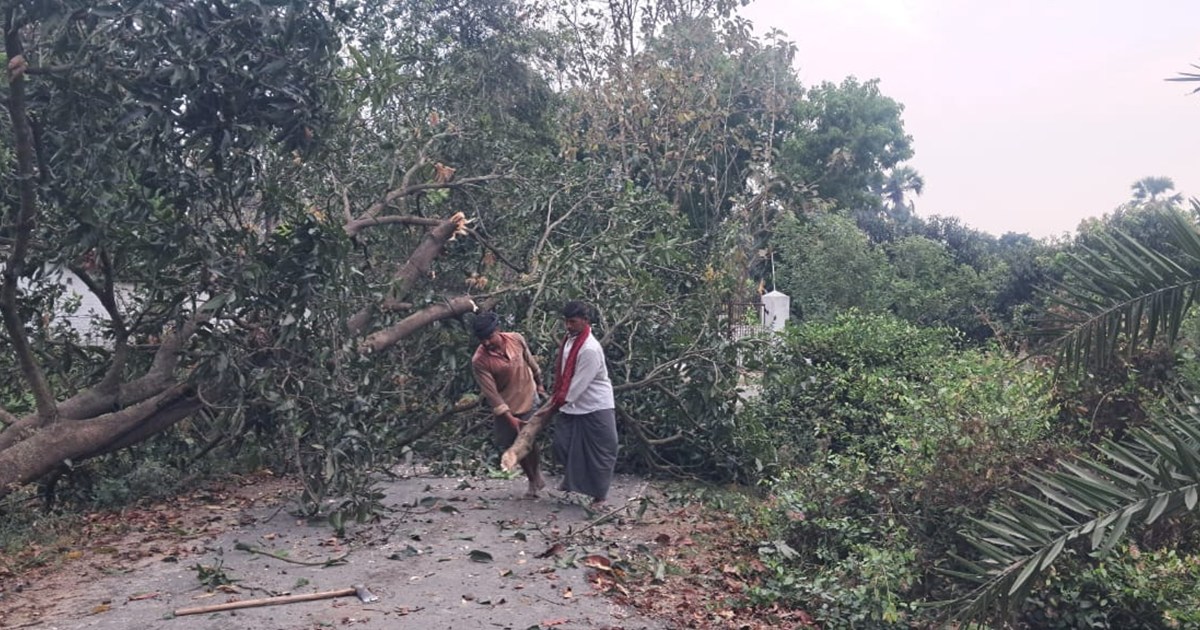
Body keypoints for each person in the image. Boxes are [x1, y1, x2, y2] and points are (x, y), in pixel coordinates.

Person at [542, 301, 617, 507]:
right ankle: (573, 482)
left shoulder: (590, 349)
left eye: (572, 322)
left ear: (585, 321)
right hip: (572, 404)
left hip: (596, 404)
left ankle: (600, 497)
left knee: (603, 450)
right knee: (561, 445)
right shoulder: (568, 340)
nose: (568, 326)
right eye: (566, 321)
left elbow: (577, 386)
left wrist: (554, 404)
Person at [470, 311, 547, 498]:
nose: (486, 343)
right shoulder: (479, 361)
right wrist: (509, 417)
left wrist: (540, 385)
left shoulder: (516, 339)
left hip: (529, 397)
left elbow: (531, 363)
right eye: (482, 340)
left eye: (489, 337)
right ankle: (531, 477)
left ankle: (535, 476)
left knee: (528, 440)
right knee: (513, 445)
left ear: (498, 330)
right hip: (507, 406)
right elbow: (492, 395)